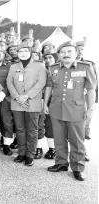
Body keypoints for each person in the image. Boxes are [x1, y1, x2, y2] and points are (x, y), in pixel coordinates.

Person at [44, 41, 96, 181]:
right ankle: (61, 163)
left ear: (75, 53)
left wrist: (91, 108)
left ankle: (78, 168)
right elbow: (49, 87)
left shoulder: (86, 67)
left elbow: (91, 89)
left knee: (77, 140)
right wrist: (45, 104)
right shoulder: (53, 68)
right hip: (56, 108)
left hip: (76, 109)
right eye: (63, 52)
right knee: (59, 139)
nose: (66, 54)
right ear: (59, 54)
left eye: (69, 51)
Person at [6, 42, 47, 167]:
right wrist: (17, 97)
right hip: (17, 102)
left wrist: (26, 96)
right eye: (20, 51)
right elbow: (9, 82)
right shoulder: (13, 66)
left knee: (32, 130)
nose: (23, 53)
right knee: (20, 129)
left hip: (32, 102)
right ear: (17, 54)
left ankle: (30, 154)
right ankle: (21, 153)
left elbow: (41, 83)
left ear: (30, 52)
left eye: (25, 51)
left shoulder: (40, 66)